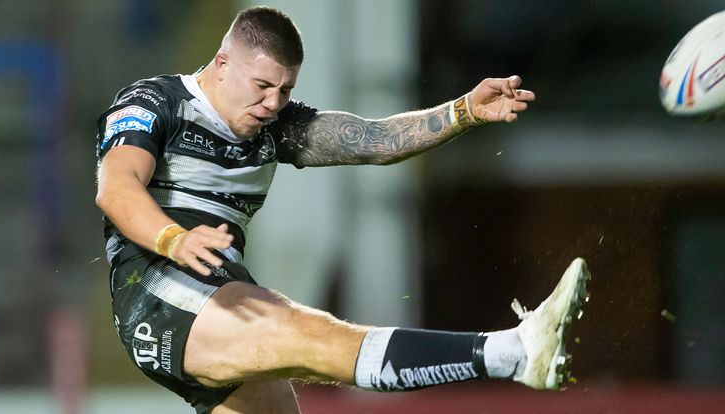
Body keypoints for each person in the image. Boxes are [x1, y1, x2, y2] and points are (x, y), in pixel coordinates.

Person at [95, 6, 590, 414]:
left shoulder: (275, 125)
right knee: (316, 335)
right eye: (262, 85)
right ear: (222, 63)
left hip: (221, 286)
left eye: (285, 90)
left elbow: (374, 140)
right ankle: (514, 353)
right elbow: (116, 189)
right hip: (157, 292)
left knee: (305, 359)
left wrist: (463, 111)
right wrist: (174, 239)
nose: (273, 103)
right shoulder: (154, 101)